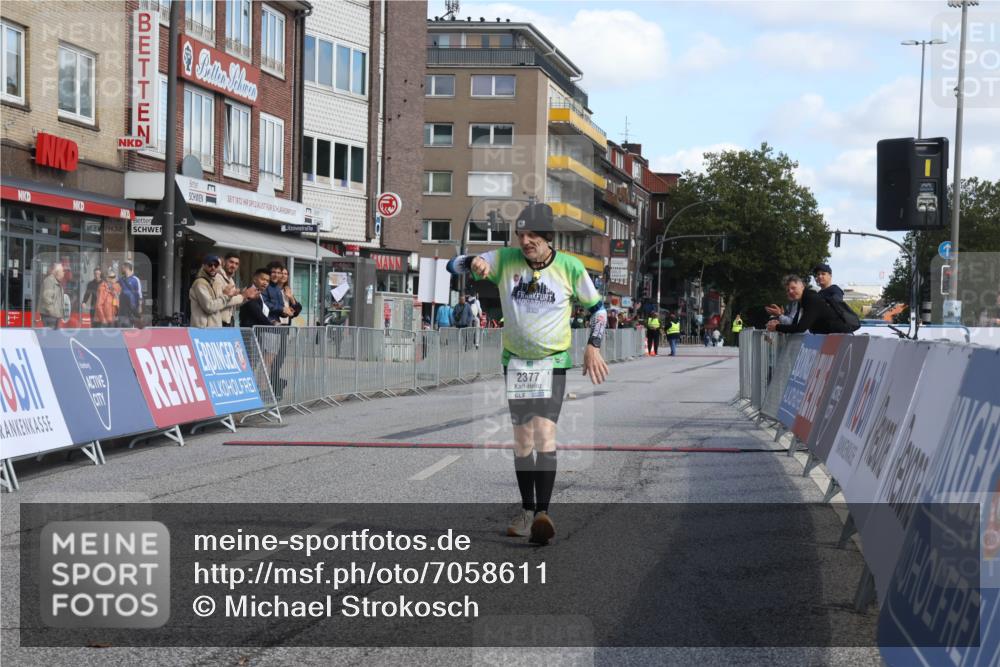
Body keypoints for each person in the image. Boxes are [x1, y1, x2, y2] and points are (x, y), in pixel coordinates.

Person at [447, 202, 609, 546]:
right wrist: (472, 261)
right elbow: (452, 264)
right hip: (517, 364)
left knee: (544, 435)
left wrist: (593, 344)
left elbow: (599, 310)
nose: (525, 241)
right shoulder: (505, 259)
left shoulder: (570, 267)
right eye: (521, 235)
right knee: (523, 440)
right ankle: (525, 510)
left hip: (553, 362)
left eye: (533, 235)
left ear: (548, 237)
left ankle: (542, 516)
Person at [766, 274, 846, 335]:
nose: (790, 292)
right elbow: (795, 324)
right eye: (788, 290)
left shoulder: (811, 299)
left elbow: (801, 328)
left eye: (793, 288)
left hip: (841, 339)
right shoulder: (802, 301)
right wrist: (780, 327)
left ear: (802, 286)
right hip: (833, 338)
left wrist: (777, 327)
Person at [189, 255, 241, 328]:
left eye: (216, 265)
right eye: (210, 265)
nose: (213, 267)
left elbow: (220, 303)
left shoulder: (214, 282)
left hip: (214, 328)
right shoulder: (200, 283)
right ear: (204, 266)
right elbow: (209, 307)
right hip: (203, 329)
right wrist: (227, 296)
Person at [216, 253, 252, 327]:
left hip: (229, 321)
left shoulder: (231, 280)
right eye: (231, 262)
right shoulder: (217, 277)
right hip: (218, 321)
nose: (233, 266)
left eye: (236, 264)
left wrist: (246, 297)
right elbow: (220, 302)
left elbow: (233, 305)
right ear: (224, 262)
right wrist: (242, 296)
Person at [38, 262, 66, 329]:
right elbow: (47, 299)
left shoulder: (56, 282)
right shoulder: (50, 281)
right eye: (62, 271)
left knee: (53, 336)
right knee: (51, 335)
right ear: (57, 272)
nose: (63, 273)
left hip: (53, 316)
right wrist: (53, 314)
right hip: (50, 316)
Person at [117, 261, 143, 327]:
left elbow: (139, 294)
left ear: (127, 268)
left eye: (122, 268)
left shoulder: (136, 280)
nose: (121, 269)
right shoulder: (121, 279)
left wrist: (140, 306)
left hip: (131, 309)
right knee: (121, 329)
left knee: (129, 329)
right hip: (122, 310)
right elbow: (113, 287)